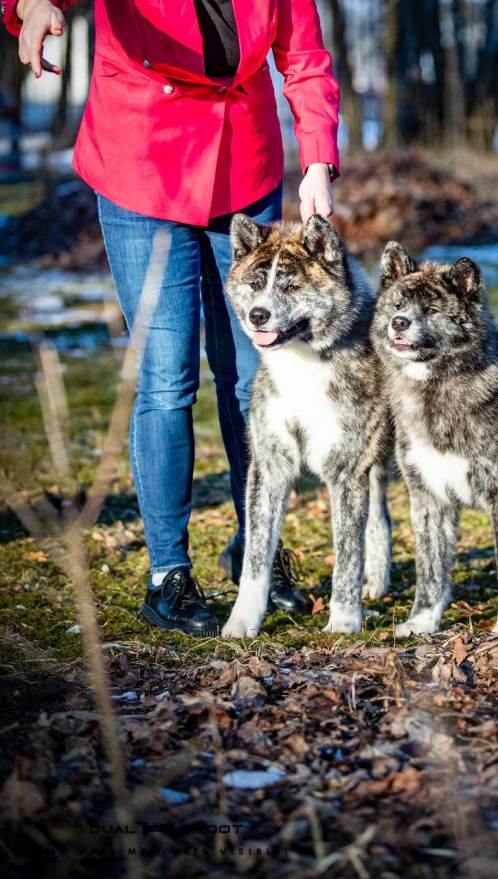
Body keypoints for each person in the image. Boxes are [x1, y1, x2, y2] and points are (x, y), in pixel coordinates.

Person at [3, 0, 341, 636]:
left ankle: (257, 552)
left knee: (251, 377)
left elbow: (303, 58)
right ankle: (168, 575)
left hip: (244, 169)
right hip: (142, 164)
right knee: (166, 374)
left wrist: (318, 159)